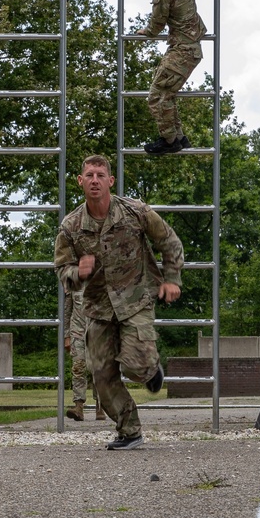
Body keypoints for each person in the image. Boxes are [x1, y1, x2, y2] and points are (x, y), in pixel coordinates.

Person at [54, 154, 184, 450]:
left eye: (100, 175)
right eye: (89, 175)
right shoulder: (71, 226)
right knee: (101, 376)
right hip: (99, 308)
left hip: (137, 299)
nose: (95, 180)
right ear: (80, 182)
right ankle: (130, 431)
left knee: (136, 366)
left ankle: (150, 368)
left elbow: (169, 241)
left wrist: (171, 279)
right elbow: (62, 270)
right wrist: (79, 272)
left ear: (111, 181)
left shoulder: (135, 211)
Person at [135, 0, 207, 155]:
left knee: (156, 95)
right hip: (191, 48)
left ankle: (169, 142)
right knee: (167, 93)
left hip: (182, 50)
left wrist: (146, 32)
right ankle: (179, 137)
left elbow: (156, 27)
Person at [63, 288, 104, 422]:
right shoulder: (73, 282)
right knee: (78, 368)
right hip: (77, 332)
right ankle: (78, 407)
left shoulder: (100, 278)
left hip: (97, 332)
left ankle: (101, 406)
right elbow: (67, 311)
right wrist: (66, 335)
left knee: (98, 369)